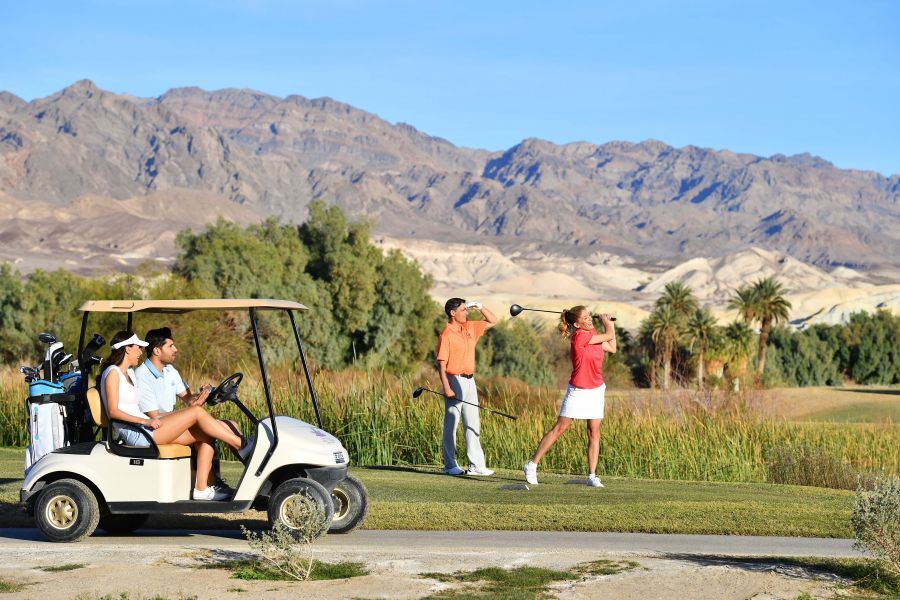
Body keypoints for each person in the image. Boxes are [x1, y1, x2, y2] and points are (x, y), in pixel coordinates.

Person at [98, 331, 252, 500]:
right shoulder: (113, 373)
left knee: (205, 432)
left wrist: (202, 395)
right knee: (196, 412)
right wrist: (145, 421)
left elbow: (182, 400)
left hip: (145, 426)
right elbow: (113, 412)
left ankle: (201, 489)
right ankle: (242, 445)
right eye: (138, 348)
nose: (141, 352)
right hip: (137, 433)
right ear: (127, 349)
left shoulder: (130, 374)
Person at [134, 327, 243, 493]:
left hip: (171, 425)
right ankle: (238, 449)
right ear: (157, 350)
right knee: (205, 430)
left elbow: (189, 399)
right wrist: (189, 414)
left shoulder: (170, 371)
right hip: (153, 429)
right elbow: (154, 416)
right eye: (170, 346)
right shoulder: (142, 375)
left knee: (231, 424)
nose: (175, 349)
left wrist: (203, 394)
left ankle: (224, 479)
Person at [523, 306, 616, 488]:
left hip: (596, 389)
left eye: (589, 316)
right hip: (578, 390)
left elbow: (612, 347)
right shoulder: (579, 337)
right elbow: (608, 335)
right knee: (560, 428)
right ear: (577, 324)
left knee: (594, 432)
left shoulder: (593, 335)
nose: (590, 319)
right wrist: (607, 324)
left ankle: (592, 476)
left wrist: (610, 326)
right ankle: (532, 464)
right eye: (585, 318)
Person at [436, 298, 497, 476]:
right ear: (452, 313)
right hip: (454, 380)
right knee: (452, 423)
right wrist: (447, 388)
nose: (466, 312)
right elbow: (441, 366)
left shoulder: (470, 327)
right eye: (463, 310)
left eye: (466, 309)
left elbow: (493, 321)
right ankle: (450, 465)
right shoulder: (446, 335)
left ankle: (476, 465)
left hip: (470, 380)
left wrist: (480, 306)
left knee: (472, 422)